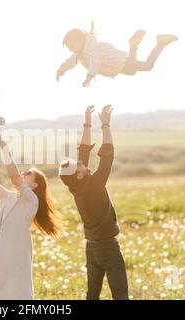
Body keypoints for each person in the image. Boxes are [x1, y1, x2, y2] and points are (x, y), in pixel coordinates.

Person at [58, 104, 129, 300]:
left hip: (91, 248)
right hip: (107, 247)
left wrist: (87, 124)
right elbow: (107, 153)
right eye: (79, 165)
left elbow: (83, 152)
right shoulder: (95, 185)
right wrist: (105, 124)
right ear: (79, 175)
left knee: (92, 295)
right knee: (121, 296)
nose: (81, 162)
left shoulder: (75, 187)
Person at [0, 136, 61, 300]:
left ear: (34, 185)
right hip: (2, 254)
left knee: (17, 294)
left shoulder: (32, 201)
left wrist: (3, 146)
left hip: (17, 255)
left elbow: (14, 177)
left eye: (27, 173)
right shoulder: (8, 197)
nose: (22, 174)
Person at [56, 21, 178, 87]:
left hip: (119, 63)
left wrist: (89, 76)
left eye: (72, 46)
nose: (71, 50)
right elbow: (71, 61)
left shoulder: (91, 50)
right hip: (118, 65)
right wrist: (61, 70)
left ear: (80, 41)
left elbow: (95, 62)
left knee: (148, 66)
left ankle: (161, 42)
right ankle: (133, 44)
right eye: (69, 48)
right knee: (132, 70)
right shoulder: (81, 53)